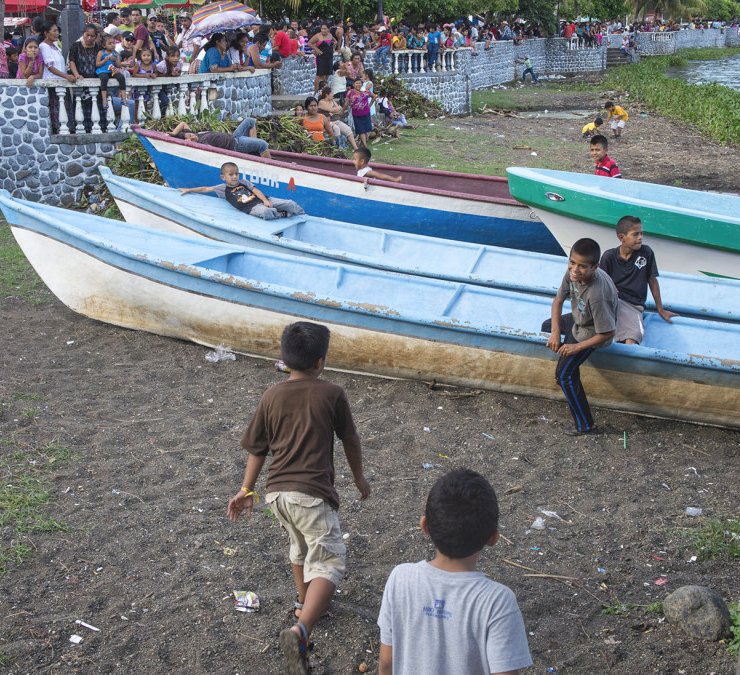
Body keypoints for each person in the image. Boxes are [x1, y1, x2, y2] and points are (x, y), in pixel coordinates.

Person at [227, 321, 370, 675]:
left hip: (276, 493)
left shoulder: (271, 395)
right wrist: (358, 477)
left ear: (285, 359)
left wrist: (247, 489)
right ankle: (301, 629)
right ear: (320, 361)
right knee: (330, 561)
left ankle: (301, 603)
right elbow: (349, 439)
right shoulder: (332, 393)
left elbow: (257, 449)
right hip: (312, 494)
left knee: (300, 549)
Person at [378, 469, 532, 675]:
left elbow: (387, 662)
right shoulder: (498, 601)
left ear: (425, 526)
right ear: (493, 538)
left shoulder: (400, 578)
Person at [541, 237, 618, 435]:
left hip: (590, 332)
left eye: (582, 266)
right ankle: (567, 348)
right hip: (578, 319)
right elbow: (558, 301)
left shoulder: (597, 295)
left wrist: (575, 347)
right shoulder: (572, 274)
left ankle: (586, 425)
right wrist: (556, 332)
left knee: (564, 375)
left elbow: (608, 332)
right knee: (547, 326)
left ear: (594, 267)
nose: (575, 269)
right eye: (572, 262)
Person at [599, 216, 677, 345]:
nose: (640, 237)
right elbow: (601, 283)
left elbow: (652, 281)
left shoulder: (646, 252)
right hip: (612, 302)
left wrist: (660, 309)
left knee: (633, 337)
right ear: (621, 237)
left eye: (641, 233)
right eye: (635, 234)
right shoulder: (609, 256)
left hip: (633, 305)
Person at [178, 161, 305, 220]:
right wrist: (188, 190)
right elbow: (205, 189)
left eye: (236, 174)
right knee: (266, 212)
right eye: (231, 174)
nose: (234, 177)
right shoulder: (223, 188)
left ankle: (303, 216)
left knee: (290, 203)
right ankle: (280, 214)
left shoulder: (243, 182)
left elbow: (256, 191)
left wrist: (265, 200)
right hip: (251, 208)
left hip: (263, 200)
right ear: (223, 177)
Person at [168, 117, 271, 158]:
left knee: (250, 121)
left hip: (234, 136)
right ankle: (266, 165)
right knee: (263, 145)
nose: (193, 137)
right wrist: (190, 143)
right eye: (190, 138)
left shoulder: (196, 135)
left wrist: (173, 133)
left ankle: (253, 153)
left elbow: (183, 124)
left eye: (190, 135)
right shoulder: (202, 145)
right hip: (235, 145)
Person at [95, 34, 128, 113]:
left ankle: (123, 97)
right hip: (103, 71)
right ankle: (104, 99)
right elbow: (97, 64)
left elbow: (119, 65)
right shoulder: (101, 53)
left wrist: (115, 60)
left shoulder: (116, 54)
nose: (112, 45)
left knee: (121, 77)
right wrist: (104, 60)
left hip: (112, 71)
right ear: (104, 45)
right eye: (109, 44)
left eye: (113, 43)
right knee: (104, 79)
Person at [346, 77, 374, 147]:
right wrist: (342, 110)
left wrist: (369, 106)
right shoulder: (350, 92)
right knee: (360, 130)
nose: (358, 85)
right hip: (356, 115)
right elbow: (346, 103)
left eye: (360, 83)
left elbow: (374, 97)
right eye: (356, 83)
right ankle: (365, 145)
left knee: (367, 130)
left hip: (366, 113)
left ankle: (362, 145)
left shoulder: (365, 91)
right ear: (353, 84)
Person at [308, 23, 335, 94]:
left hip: (329, 57)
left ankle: (324, 91)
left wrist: (334, 45)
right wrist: (316, 49)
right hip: (321, 57)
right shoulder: (318, 36)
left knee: (327, 75)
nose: (323, 30)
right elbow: (309, 43)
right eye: (322, 29)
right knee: (320, 75)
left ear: (328, 29)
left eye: (325, 29)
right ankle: (317, 92)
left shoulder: (330, 35)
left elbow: (334, 41)